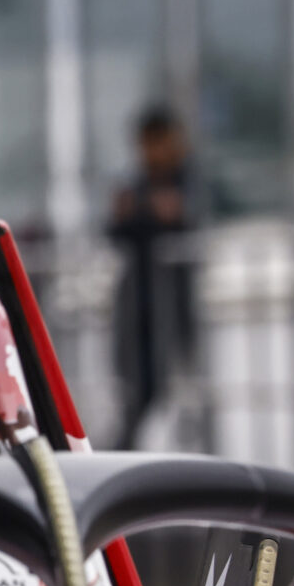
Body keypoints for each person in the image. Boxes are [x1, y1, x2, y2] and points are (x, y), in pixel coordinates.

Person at [107, 104, 200, 449]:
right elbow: (120, 228)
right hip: (139, 304)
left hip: (177, 304)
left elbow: (180, 219)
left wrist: (145, 213)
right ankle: (124, 456)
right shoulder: (140, 184)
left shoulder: (190, 181)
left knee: (186, 390)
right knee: (137, 391)